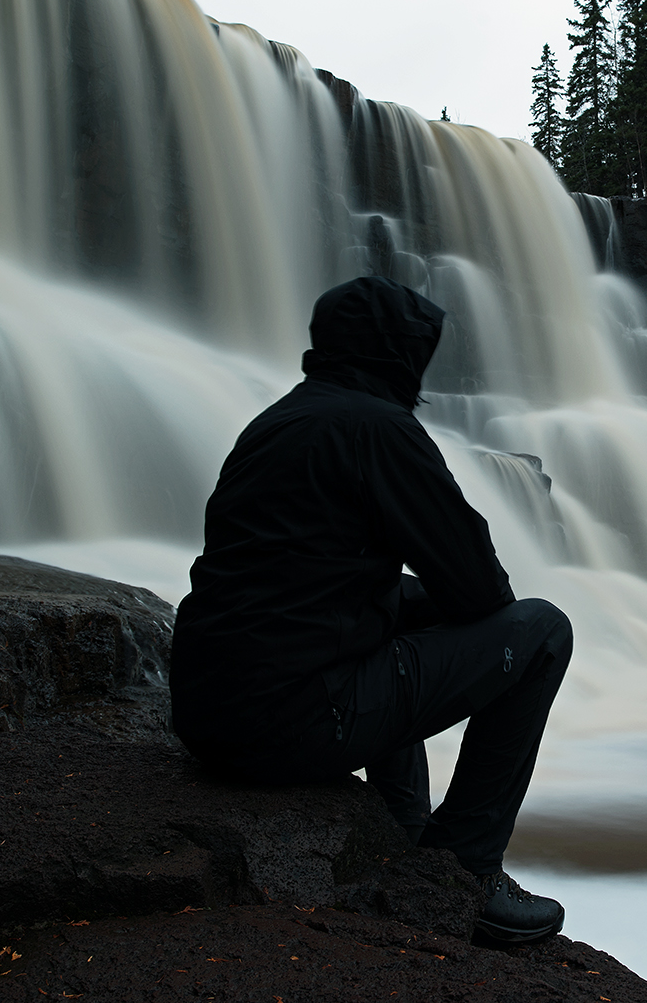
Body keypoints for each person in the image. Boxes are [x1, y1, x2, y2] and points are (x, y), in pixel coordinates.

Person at [170, 275, 573, 945]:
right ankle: (464, 870)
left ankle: (405, 830)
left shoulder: (279, 421)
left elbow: (300, 583)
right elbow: (480, 593)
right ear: (397, 354)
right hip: (289, 726)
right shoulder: (379, 429)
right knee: (539, 632)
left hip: (209, 715)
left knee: (402, 609)